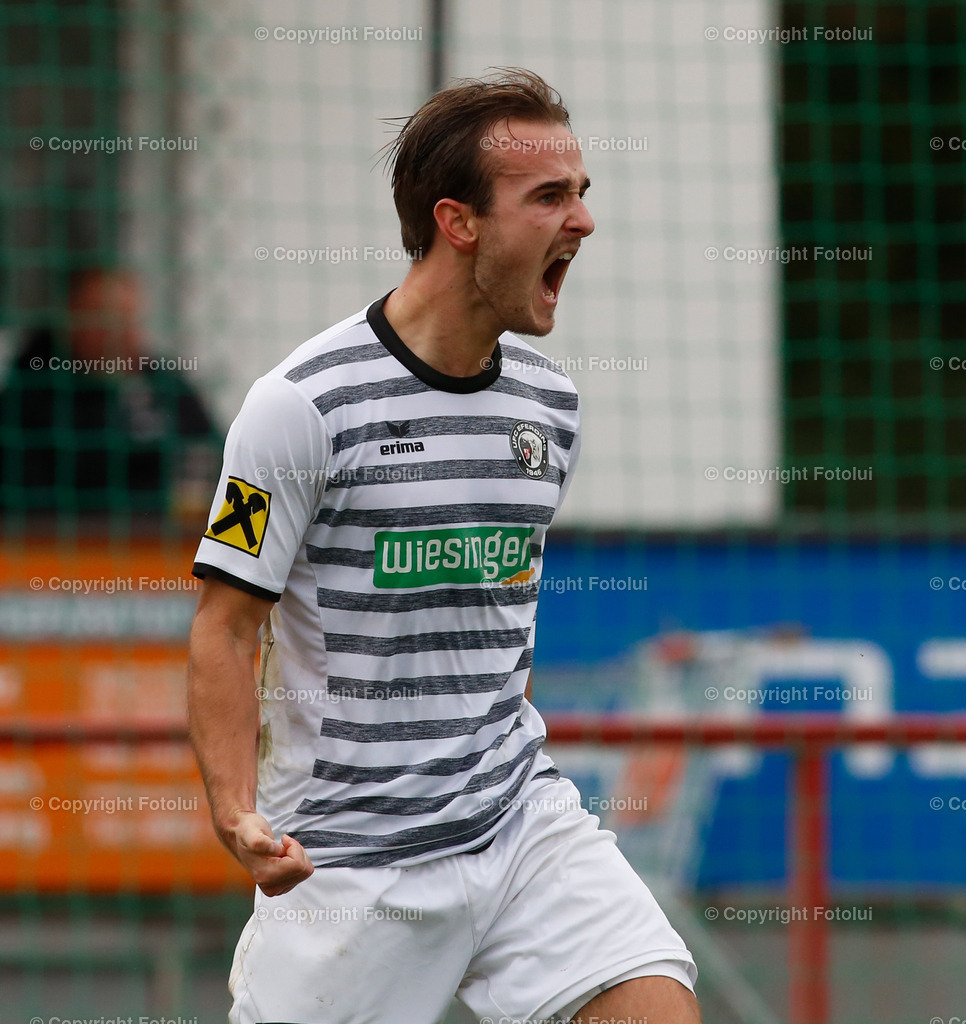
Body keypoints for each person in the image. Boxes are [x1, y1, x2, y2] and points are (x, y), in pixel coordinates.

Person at [188, 69, 700, 1024]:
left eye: (582, 192)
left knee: (655, 1007)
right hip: (350, 866)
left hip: (519, 820)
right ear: (457, 221)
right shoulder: (298, 407)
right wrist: (234, 809)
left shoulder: (549, 404)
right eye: (550, 197)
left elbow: (499, 622)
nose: (582, 221)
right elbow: (223, 626)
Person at [0, 268, 220, 524]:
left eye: (131, 321)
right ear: (70, 322)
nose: (123, 336)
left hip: (166, 547)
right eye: (108, 321)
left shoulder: (163, 384)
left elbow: (212, 458)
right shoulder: (30, 395)